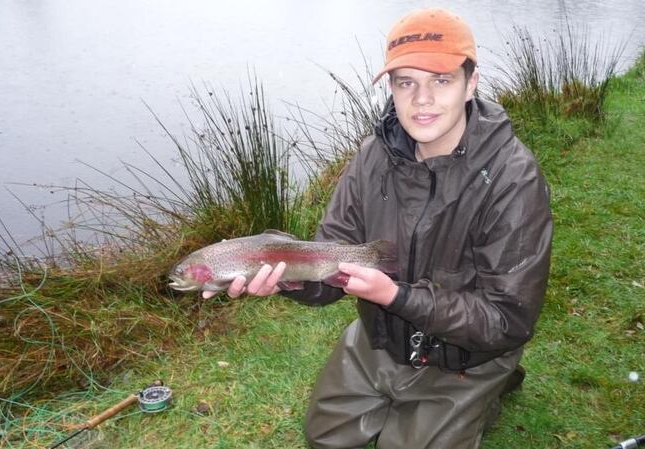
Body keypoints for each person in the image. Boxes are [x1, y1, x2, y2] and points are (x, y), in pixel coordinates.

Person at [203, 7, 553, 448]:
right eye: (406, 82)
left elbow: (507, 319)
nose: (421, 99)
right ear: (391, 87)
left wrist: (397, 296)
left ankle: (489, 386)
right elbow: (329, 268)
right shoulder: (372, 157)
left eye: (440, 80)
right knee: (324, 439)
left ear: (472, 83)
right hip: (382, 338)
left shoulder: (512, 178)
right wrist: (285, 277)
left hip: (465, 353)